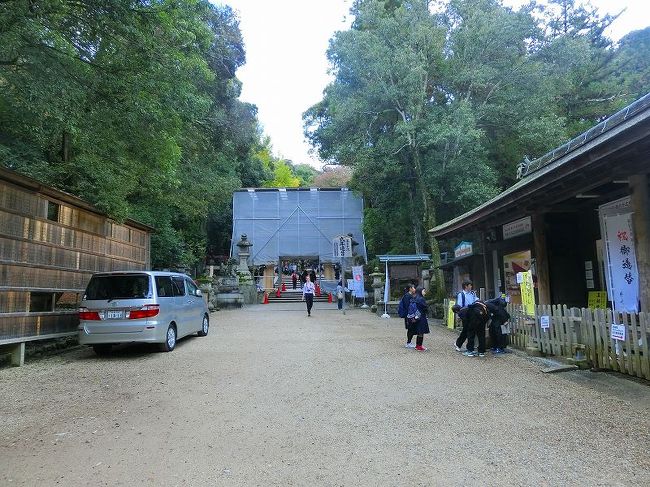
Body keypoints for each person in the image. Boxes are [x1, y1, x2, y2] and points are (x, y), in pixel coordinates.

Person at [454, 280, 477, 352]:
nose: (471, 286)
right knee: (467, 329)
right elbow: (459, 306)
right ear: (466, 286)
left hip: (473, 313)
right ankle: (460, 344)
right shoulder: (461, 294)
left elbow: (476, 300)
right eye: (470, 285)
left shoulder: (473, 293)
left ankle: (459, 344)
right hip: (465, 314)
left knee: (467, 330)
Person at [410, 286, 430, 351]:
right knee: (421, 332)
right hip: (421, 317)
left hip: (415, 316)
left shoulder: (414, 297)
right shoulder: (421, 299)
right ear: (420, 291)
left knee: (419, 331)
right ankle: (419, 346)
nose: (425, 293)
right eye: (424, 291)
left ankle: (417, 345)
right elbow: (425, 308)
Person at [398, 284, 417, 348]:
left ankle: (409, 342)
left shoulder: (409, 295)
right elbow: (407, 306)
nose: (414, 289)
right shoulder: (407, 296)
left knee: (411, 328)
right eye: (413, 288)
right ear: (410, 289)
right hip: (409, 315)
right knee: (410, 328)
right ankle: (408, 342)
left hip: (410, 314)